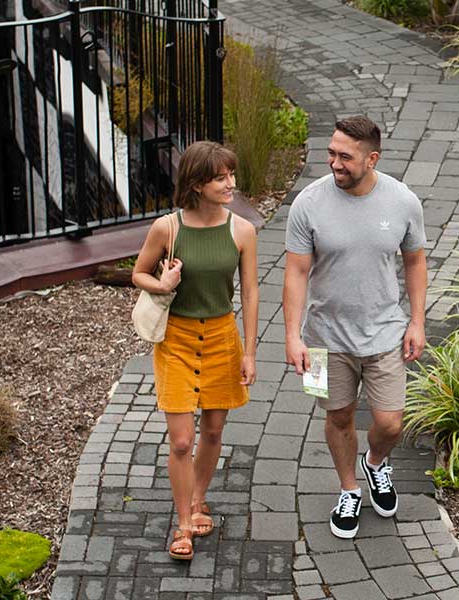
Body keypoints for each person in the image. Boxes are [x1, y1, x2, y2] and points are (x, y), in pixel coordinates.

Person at [282, 116, 429, 539]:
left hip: (385, 332)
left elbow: (415, 261)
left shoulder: (403, 201)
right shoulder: (308, 204)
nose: (334, 163)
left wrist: (417, 322)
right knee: (337, 415)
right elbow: (294, 274)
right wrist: (293, 336)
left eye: (345, 156)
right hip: (322, 339)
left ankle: (376, 463)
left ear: (372, 158)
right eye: (331, 153)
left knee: (390, 423)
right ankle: (349, 490)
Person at [130, 141, 261, 561]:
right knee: (183, 441)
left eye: (231, 175)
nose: (231, 184)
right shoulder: (167, 229)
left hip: (223, 336)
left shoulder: (242, 230)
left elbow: (252, 291)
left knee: (215, 430)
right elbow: (137, 273)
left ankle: (198, 497)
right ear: (197, 183)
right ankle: (183, 525)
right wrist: (162, 284)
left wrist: (250, 351)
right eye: (220, 177)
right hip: (177, 342)